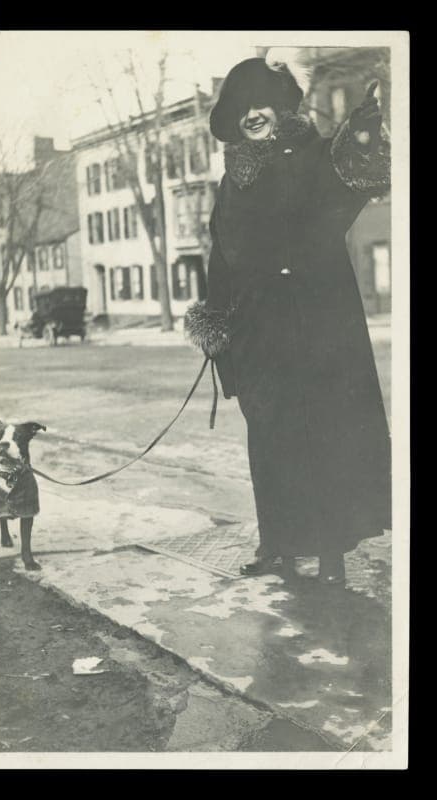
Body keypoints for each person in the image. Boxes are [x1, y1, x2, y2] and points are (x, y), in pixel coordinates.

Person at [185, 56, 391, 585]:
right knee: (270, 439)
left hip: (315, 324)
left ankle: (331, 556)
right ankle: (278, 543)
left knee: (321, 435)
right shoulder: (232, 182)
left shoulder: (316, 155)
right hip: (258, 332)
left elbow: (351, 184)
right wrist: (216, 324)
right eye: (242, 108)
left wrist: (362, 136)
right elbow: (220, 256)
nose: (252, 114)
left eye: (261, 103)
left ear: (278, 106)